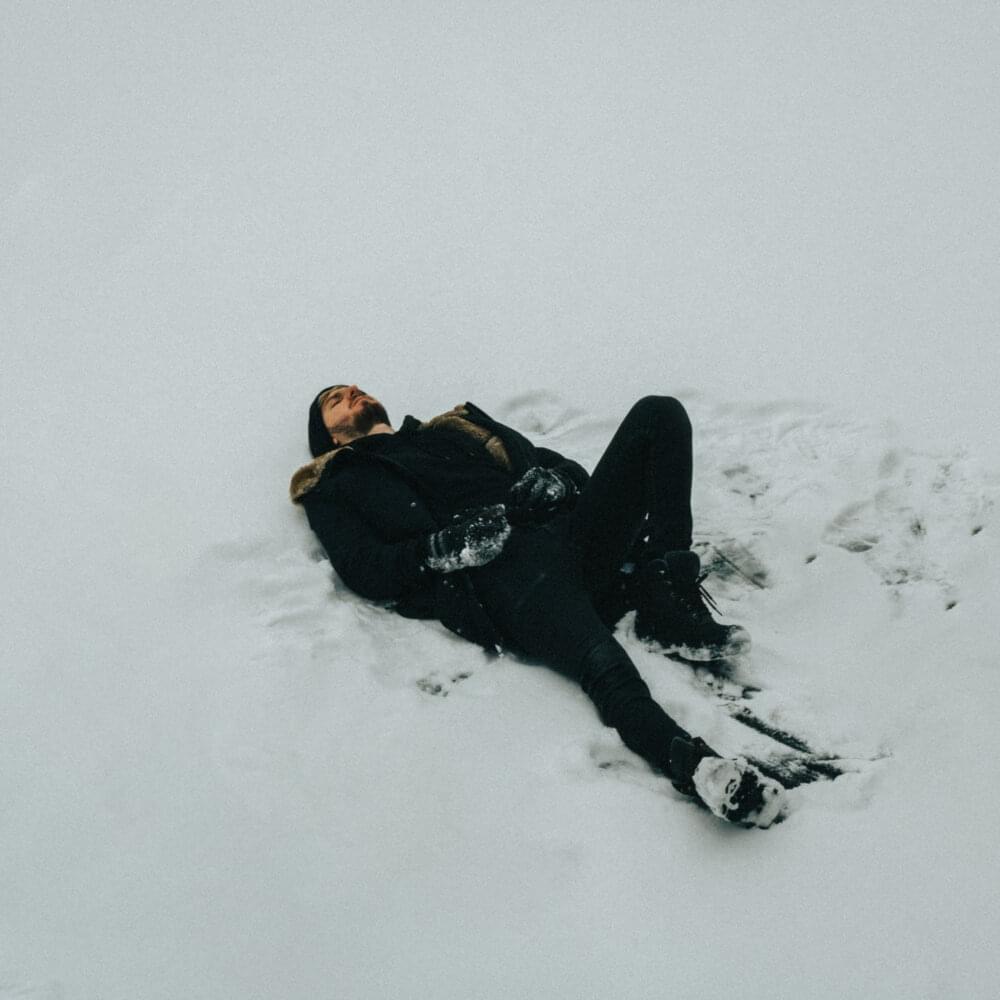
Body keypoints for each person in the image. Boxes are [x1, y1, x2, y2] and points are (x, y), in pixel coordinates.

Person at [289, 384, 785, 828]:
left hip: (570, 533)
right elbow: (366, 568)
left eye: (355, 388)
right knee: (604, 667)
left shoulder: (453, 428)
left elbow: (562, 467)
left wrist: (558, 484)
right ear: (330, 437)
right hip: (504, 575)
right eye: (336, 400)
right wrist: (447, 546)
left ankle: (664, 597)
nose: (353, 393)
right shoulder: (335, 487)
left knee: (660, 415)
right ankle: (697, 767)